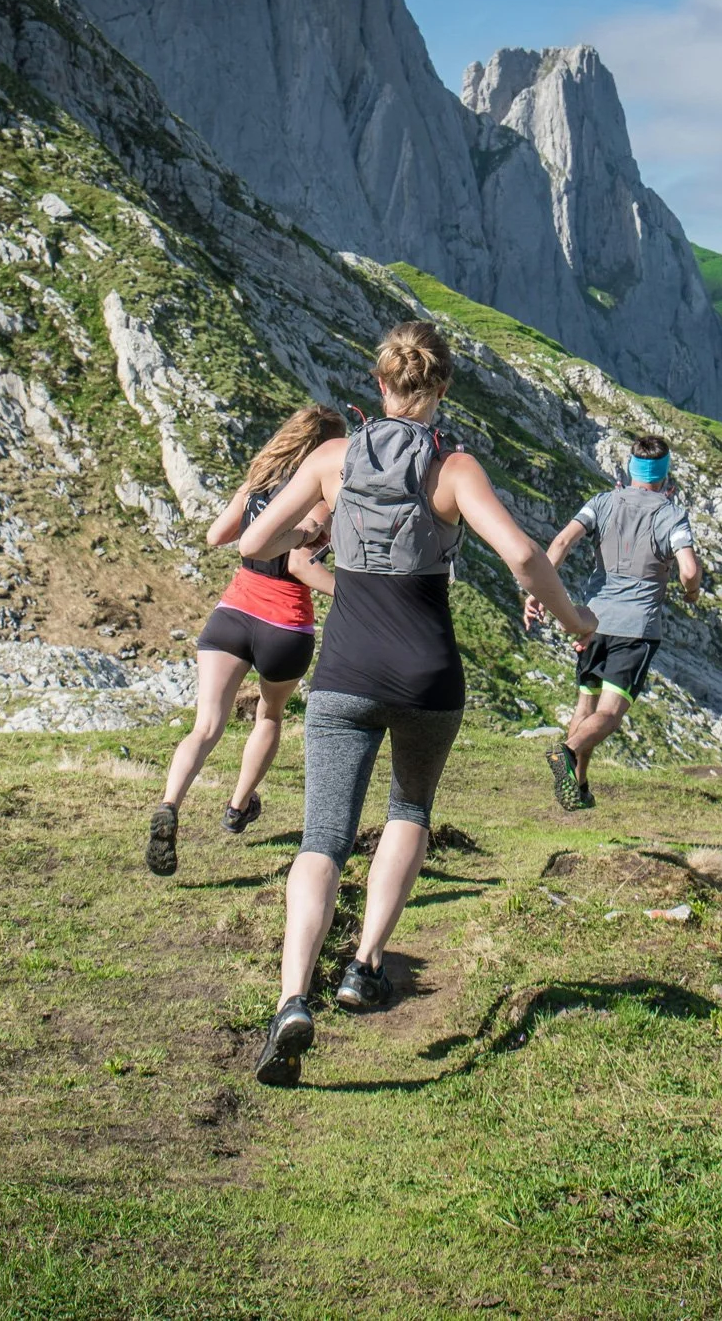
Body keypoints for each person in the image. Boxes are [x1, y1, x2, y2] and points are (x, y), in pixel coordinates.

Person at [237, 320, 598, 1087]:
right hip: (429, 675)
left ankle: (292, 997)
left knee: (321, 841)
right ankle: (364, 965)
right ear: (441, 389)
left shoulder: (333, 459)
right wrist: (576, 622)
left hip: (344, 671)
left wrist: (323, 523)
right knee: (408, 813)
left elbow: (255, 542)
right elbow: (525, 556)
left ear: (380, 383)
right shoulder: (453, 467)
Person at [145, 405, 346, 877]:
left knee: (206, 726)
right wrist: (354, 594)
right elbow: (299, 566)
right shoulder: (316, 495)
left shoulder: (257, 480)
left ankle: (171, 802)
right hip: (286, 625)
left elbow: (218, 534)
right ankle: (238, 806)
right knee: (269, 715)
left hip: (232, 615)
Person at [526, 434, 701, 811]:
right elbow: (689, 569)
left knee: (585, 704)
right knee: (608, 713)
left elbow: (559, 544)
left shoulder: (602, 503)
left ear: (630, 469)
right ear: (665, 476)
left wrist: (539, 590)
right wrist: (691, 592)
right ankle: (567, 751)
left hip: (593, 621)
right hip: (636, 629)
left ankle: (580, 787)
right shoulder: (670, 514)